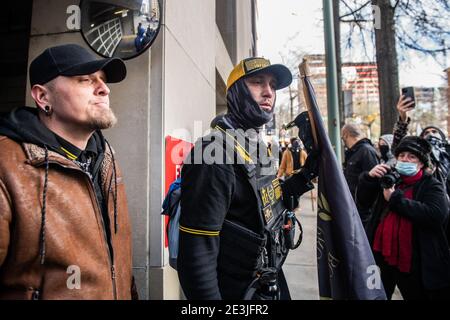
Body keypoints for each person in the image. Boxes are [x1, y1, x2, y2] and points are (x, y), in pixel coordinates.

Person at [0, 44, 136, 299]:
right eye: (85, 80)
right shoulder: (8, 163)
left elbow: (119, 265)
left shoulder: (107, 158)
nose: (104, 89)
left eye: (104, 81)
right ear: (43, 97)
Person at [177, 57, 318, 300]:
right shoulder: (212, 154)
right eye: (257, 82)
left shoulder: (255, 145)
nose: (268, 93)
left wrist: (309, 172)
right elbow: (196, 257)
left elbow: (270, 199)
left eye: (273, 85)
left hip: (268, 282)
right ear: (237, 92)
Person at [356, 136, 450, 299]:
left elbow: (435, 214)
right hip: (381, 256)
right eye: (401, 155)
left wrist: (395, 200)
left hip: (414, 263)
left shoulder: (431, 185)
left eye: (411, 156)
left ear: (421, 163)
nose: (405, 159)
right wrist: (369, 179)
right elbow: (363, 203)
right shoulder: (389, 179)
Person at [341, 123, 379, 225]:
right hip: (352, 206)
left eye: (342, 136)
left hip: (362, 211)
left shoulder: (366, 151)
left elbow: (374, 182)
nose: (342, 139)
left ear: (346, 135)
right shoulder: (354, 152)